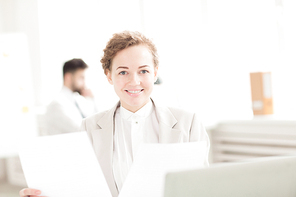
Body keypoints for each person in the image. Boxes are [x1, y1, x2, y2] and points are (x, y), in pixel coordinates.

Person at [19, 31, 210, 197]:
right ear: (109, 76)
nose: (134, 81)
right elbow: (80, 189)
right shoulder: (90, 127)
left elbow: (202, 187)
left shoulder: (188, 123)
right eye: (123, 72)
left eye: (143, 71)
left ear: (154, 73)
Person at [43, 58, 97, 135]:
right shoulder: (57, 105)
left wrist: (91, 99)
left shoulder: (77, 100)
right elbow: (81, 130)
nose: (84, 83)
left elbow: (95, 121)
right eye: (81, 78)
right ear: (68, 77)